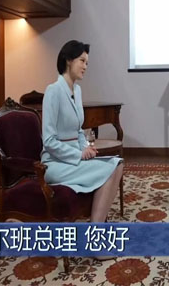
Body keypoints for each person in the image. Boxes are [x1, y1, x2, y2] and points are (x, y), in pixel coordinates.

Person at [42, 40, 124, 225]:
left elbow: (78, 130)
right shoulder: (53, 91)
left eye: (87, 62)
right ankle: (96, 232)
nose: (85, 66)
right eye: (82, 61)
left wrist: (85, 148)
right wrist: (78, 154)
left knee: (118, 164)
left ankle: (96, 225)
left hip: (75, 158)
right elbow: (48, 141)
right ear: (68, 60)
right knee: (112, 167)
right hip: (55, 163)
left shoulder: (77, 91)